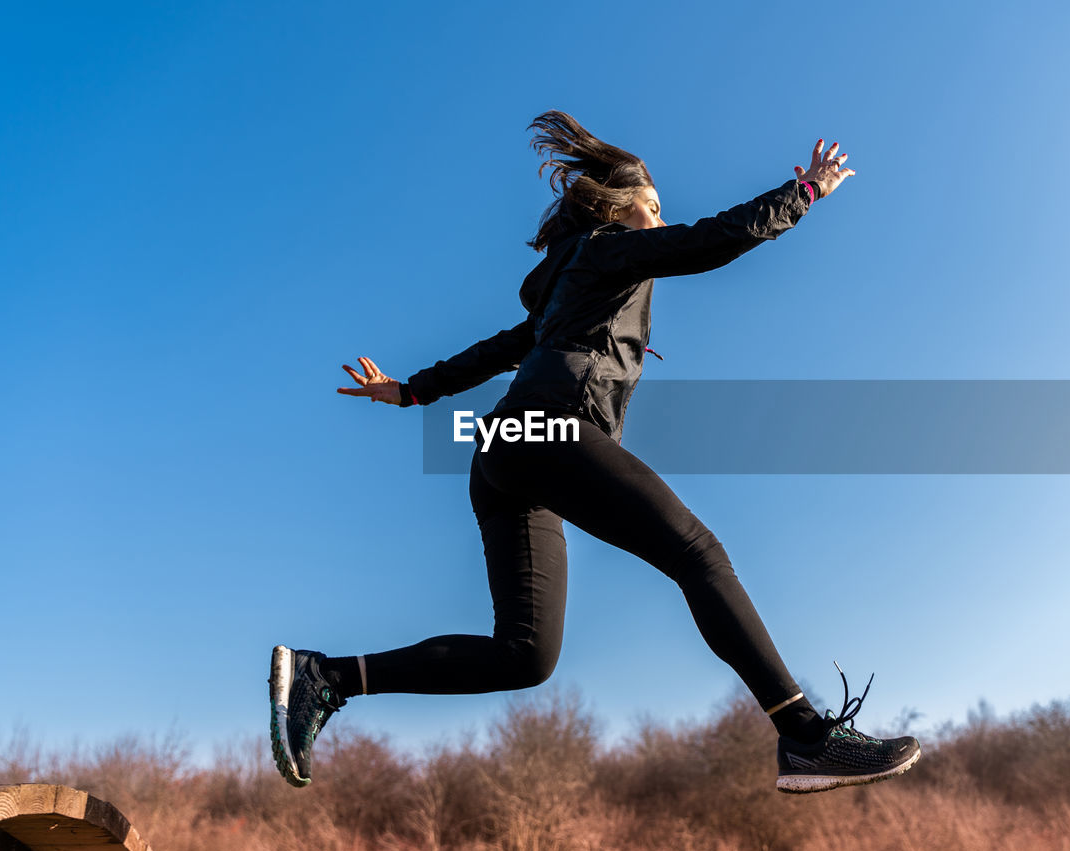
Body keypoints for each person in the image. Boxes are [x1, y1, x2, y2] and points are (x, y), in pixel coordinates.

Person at [268, 110, 921, 794]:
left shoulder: (570, 285)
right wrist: (806, 193)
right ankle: (807, 736)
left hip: (508, 449)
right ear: (620, 207)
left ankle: (328, 676)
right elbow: (717, 239)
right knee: (697, 552)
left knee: (524, 656)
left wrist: (410, 392)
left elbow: (500, 347)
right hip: (548, 429)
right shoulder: (610, 248)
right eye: (655, 206)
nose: (663, 219)